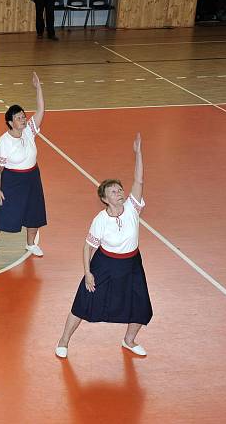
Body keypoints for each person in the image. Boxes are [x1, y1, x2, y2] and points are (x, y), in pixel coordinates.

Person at [56, 134, 152, 358]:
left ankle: (129, 340)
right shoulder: (100, 220)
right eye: (113, 191)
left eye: (120, 189)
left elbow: (139, 181)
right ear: (105, 199)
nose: (119, 192)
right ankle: (63, 340)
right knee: (83, 301)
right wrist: (88, 273)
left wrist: (138, 153)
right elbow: (87, 247)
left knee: (141, 304)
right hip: (105, 264)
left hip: (132, 264)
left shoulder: (132, 208)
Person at [0, 73, 47, 260]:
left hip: (33, 178)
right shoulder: (4, 142)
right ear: (10, 123)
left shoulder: (28, 132)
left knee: (34, 214)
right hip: (13, 181)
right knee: (2, 215)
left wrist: (38, 88)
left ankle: (30, 244)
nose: (24, 120)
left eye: (23, 117)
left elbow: (41, 110)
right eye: (19, 118)